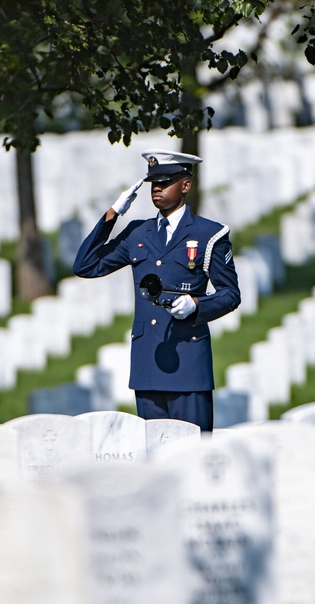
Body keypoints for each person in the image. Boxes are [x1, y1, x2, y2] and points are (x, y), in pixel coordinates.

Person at [73, 149, 241, 431]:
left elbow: (230, 294)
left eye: (165, 181)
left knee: (192, 457)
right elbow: (86, 266)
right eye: (153, 182)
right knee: (154, 459)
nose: (157, 188)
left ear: (186, 185)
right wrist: (113, 214)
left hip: (187, 361)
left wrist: (197, 306)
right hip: (148, 362)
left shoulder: (208, 234)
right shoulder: (138, 233)